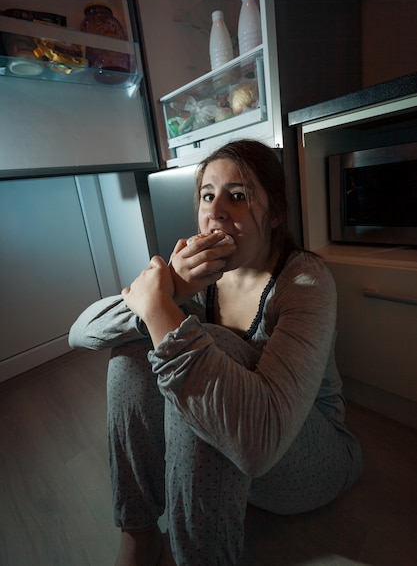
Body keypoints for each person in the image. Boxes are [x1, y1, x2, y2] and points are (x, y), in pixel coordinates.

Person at [69, 139, 363, 566]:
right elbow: (81, 333)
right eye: (208, 195)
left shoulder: (305, 282)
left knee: (211, 349)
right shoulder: (199, 274)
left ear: (276, 214)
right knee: (132, 353)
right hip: (232, 452)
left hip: (308, 454)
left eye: (238, 196)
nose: (217, 210)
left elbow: (262, 442)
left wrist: (163, 309)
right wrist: (172, 289)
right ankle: (138, 533)